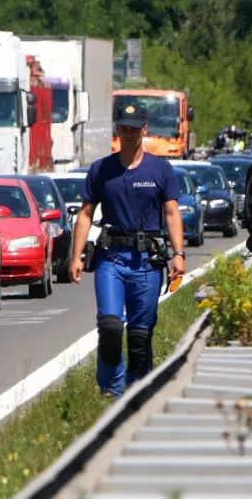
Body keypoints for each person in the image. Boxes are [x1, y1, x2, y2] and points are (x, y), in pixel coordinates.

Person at [69, 103, 187, 398]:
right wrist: (76, 256)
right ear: (117, 130)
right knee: (110, 326)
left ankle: (138, 387)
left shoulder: (160, 169)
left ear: (144, 129)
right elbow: (85, 213)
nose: (129, 132)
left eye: (134, 127)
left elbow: (172, 213)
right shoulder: (101, 169)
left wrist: (179, 254)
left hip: (147, 262)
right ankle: (111, 389)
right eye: (123, 127)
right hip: (112, 260)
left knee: (139, 333)